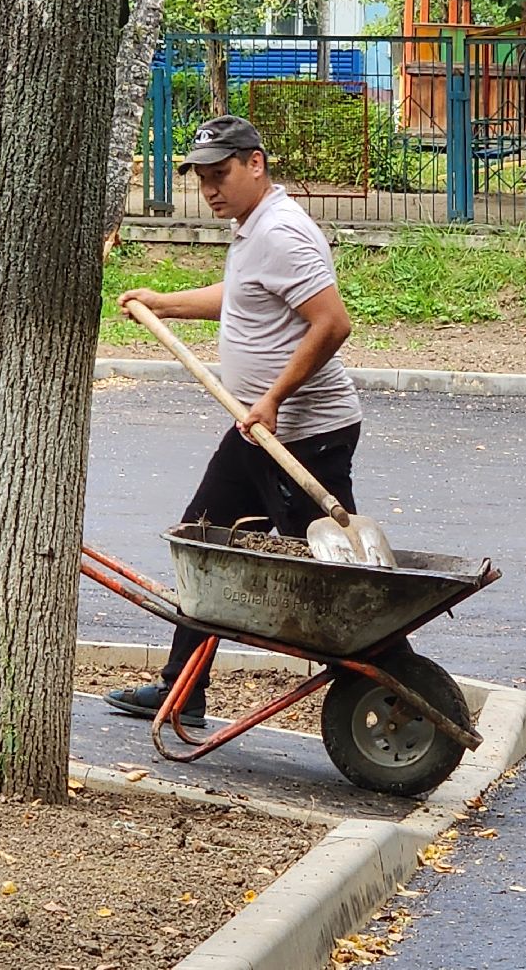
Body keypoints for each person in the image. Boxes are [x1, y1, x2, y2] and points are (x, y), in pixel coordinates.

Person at [104, 114, 363, 727]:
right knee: (204, 542)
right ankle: (181, 689)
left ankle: (395, 687)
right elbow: (242, 295)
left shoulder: (281, 232)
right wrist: (159, 301)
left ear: (256, 163)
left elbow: (333, 323)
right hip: (258, 433)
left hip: (301, 438)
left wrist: (272, 397)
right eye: (201, 179)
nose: (211, 189)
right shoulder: (253, 229)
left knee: (336, 584)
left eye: (221, 174)